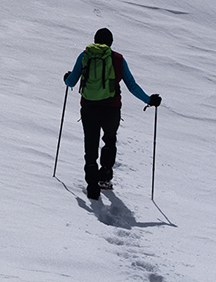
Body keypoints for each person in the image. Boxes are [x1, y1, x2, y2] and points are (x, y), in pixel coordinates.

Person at [64, 27, 160, 199]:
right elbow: (131, 85)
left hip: (89, 108)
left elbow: (71, 82)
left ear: (95, 40)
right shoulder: (118, 59)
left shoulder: (85, 55)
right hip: (111, 109)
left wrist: (67, 77)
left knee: (90, 145)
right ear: (111, 43)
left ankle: (92, 186)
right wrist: (148, 100)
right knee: (109, 140)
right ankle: (105, 178)